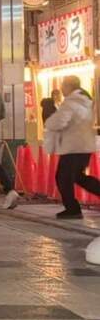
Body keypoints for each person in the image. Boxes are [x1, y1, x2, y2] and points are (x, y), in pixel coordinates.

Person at [44, 75, 100, 219]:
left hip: (73, 147)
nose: (62, 89)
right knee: (78, 177)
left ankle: (72, 209)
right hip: (83, 146)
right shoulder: (85, 100)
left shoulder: (71, 102)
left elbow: (59, 121)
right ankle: (72, 208)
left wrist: (48, 121)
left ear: (69, 86)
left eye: (63, 85)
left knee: (63, 177)